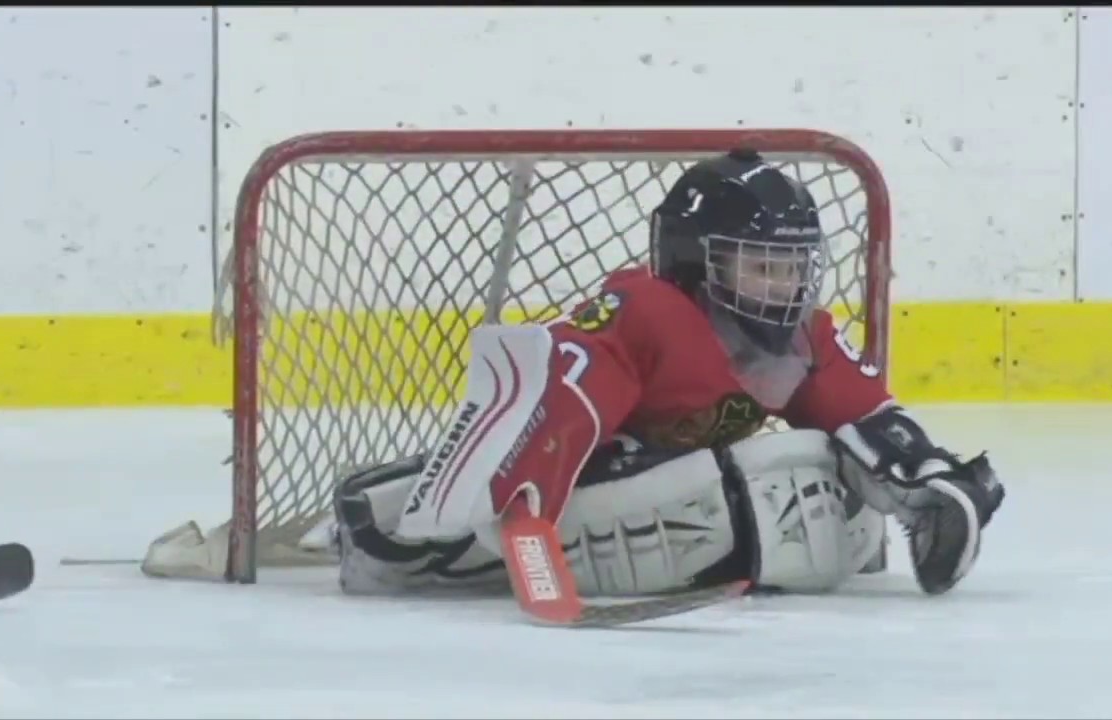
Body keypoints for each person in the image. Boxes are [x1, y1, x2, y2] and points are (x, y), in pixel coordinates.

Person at [330, 147, 1004, 600]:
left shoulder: (802, 336)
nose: (783, 287)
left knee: (798, 461)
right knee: (388, 522)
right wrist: (529, 508)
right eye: (761, 266)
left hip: (669, 477)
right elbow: (566, 393)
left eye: (793, 268)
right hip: (569, 477)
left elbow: (863, 415)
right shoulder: (648, 309)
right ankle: (391, 531)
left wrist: (930, 482)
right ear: (692, 258)